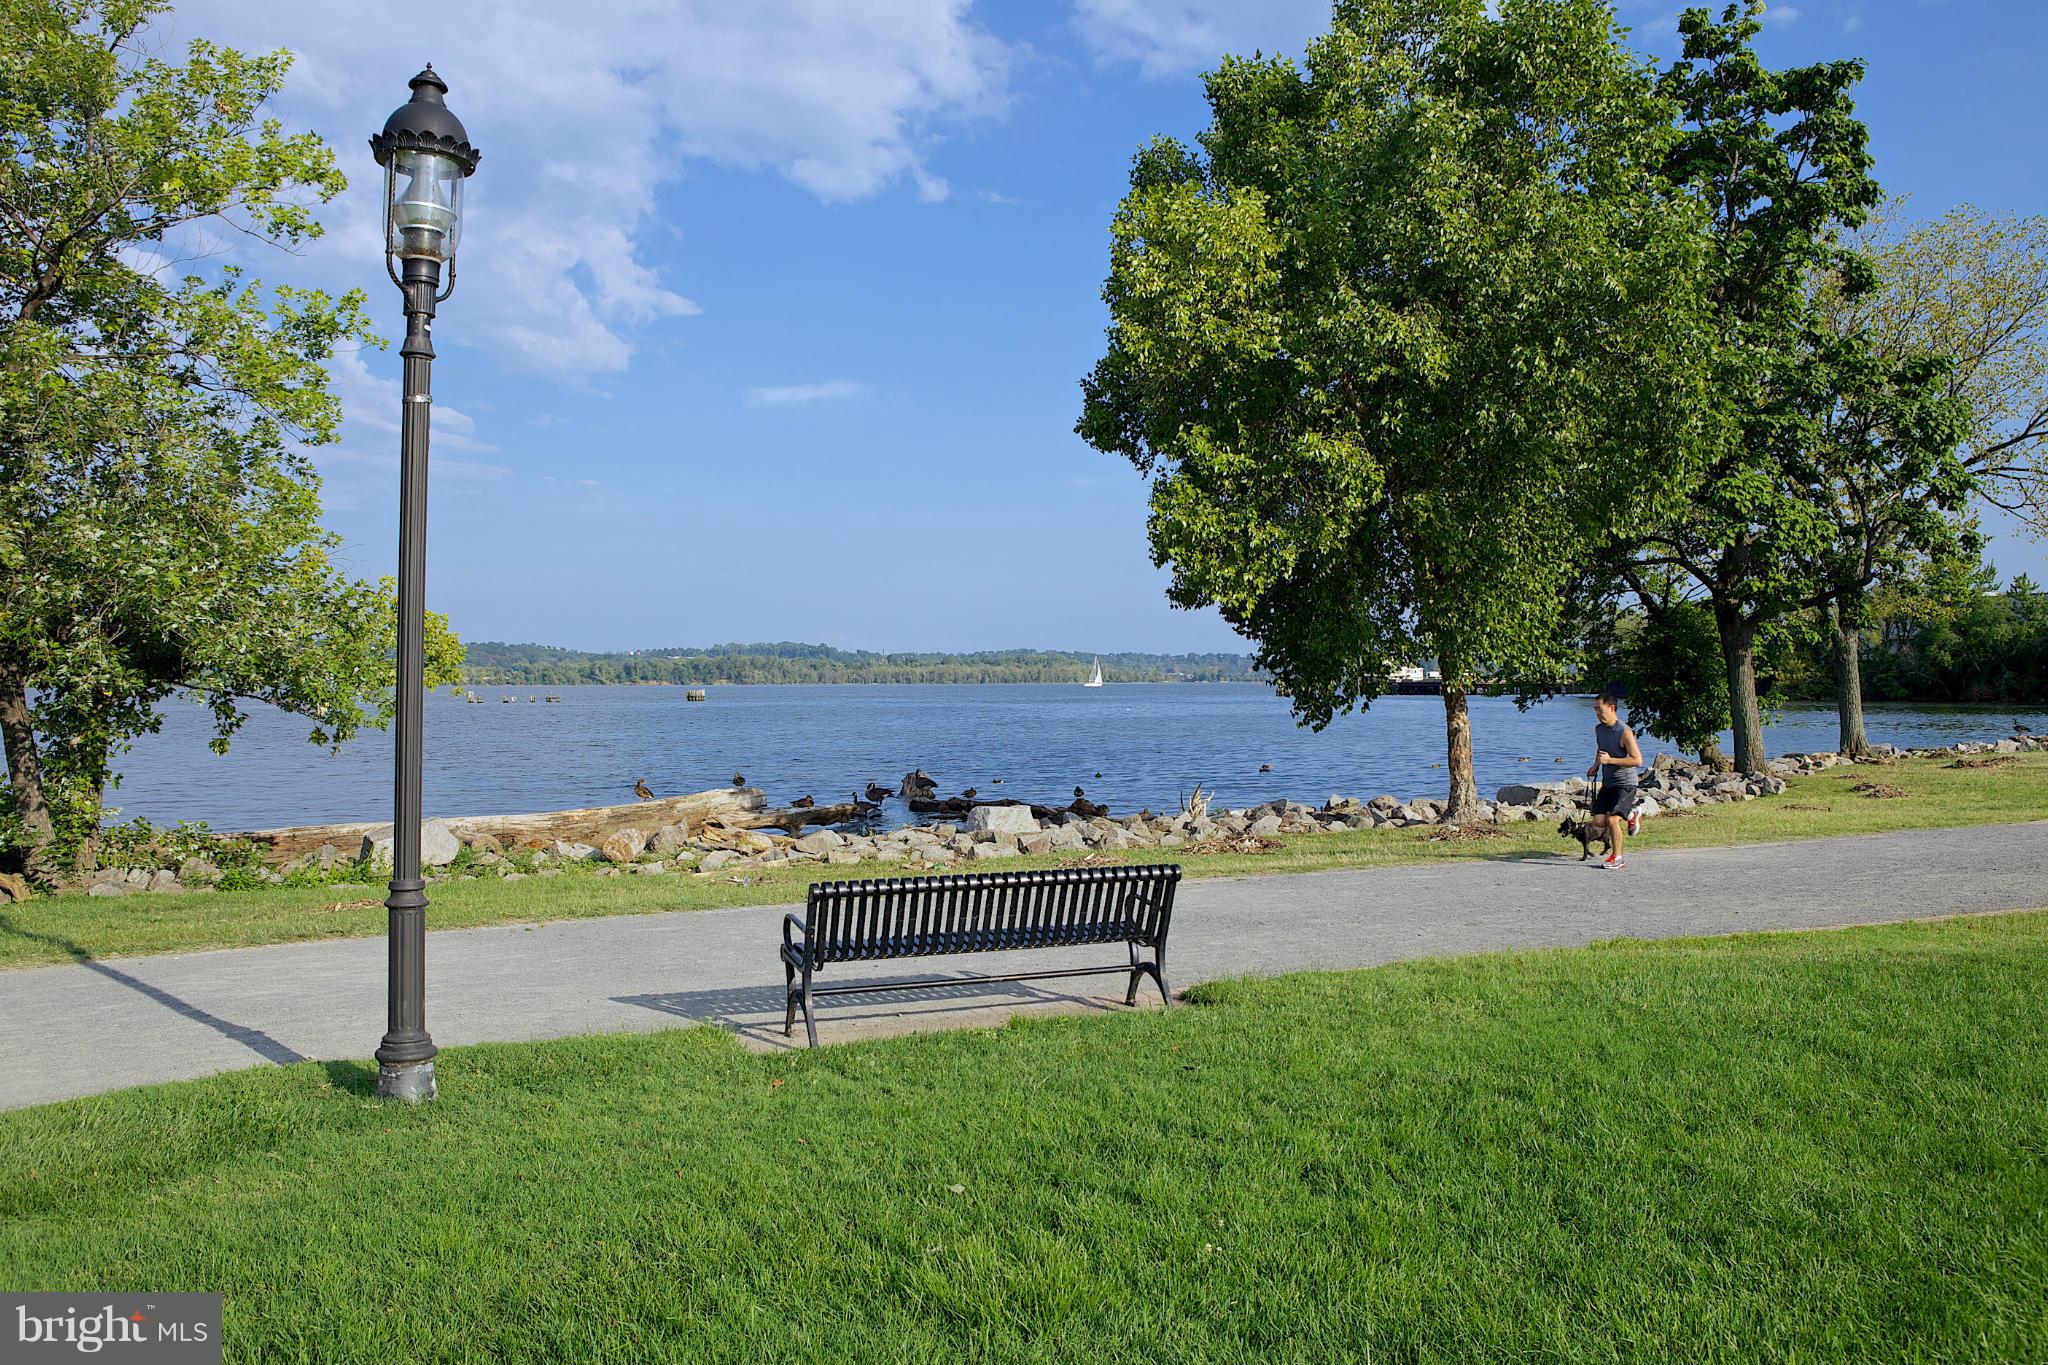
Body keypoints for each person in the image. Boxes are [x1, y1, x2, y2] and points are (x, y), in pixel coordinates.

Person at [1587, 690, 1642, 871]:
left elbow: (1637, 760)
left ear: (1612, 708)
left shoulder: (1624, 731)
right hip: (1608, 782)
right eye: (1595, 710)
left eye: (1600, 709)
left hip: (1626, 783)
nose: (1597, 713)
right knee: (1599, 821)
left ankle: (1618, 858)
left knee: (1613, 821)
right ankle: (1633, 813)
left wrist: (1610, 761)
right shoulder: (1599, 729)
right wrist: (1596, 765)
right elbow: (1601, 748)